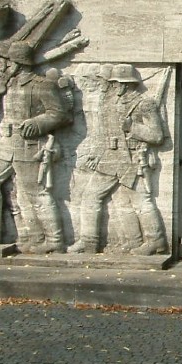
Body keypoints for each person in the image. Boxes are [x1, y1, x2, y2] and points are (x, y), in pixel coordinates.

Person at [0, 41, 71, 253]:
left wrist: (37, 123)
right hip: (6, 142)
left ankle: (54, 241)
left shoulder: (41, 84)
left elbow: (59, 114)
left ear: (17, 64)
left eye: (6, 62)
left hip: (28, 144)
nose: (2, 65)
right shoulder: (8, 84)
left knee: (35, 193)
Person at [68, 64, 168, 255]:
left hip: (132, 159)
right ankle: (92, 242)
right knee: (92, 197)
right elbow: (104, 134)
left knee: (141, 201)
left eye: (115, 83)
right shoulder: (110, 104)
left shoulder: (143, 103)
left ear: (125, 85)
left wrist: (132, 128)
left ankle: (156, 241)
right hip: (110, 158)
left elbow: (157, 136)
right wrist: (97, 155)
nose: (113, 87)